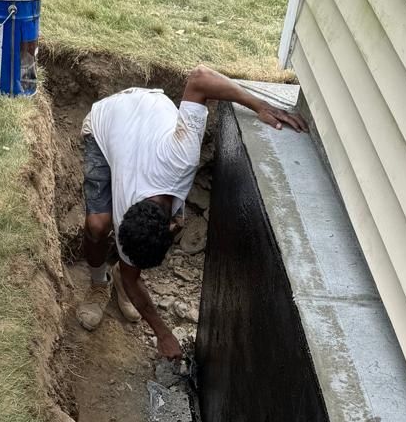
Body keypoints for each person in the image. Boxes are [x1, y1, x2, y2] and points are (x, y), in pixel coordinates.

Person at [78, 67, 307, 358]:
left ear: (174, 225)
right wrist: (163, 333)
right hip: (105, 123)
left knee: (127, 269)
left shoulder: (181, 157)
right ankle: (100, 283)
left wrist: (259, 106)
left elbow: (200, 79)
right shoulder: (126, 211)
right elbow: (132, 274)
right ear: (174, 226)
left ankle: (121, 278)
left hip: (144, 112)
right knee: (97, 226)